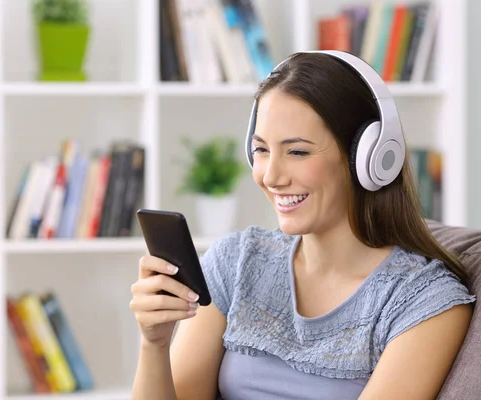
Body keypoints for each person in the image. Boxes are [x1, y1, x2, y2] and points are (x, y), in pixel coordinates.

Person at [128, 51, 476, 400]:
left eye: (297, 152)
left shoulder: (424, 302)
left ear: (368, 157)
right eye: (261, 150)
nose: (271, 176)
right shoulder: (235, 262)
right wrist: (153, 343)